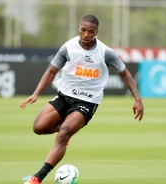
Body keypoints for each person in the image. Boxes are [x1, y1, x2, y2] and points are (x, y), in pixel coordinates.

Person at [19, 14, 144, 184]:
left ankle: (37, 177)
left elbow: (125, 73)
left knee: (63, 134)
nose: (86, 34)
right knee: (38, 127)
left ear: (96, 32)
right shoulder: (68, 47)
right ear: (79, 28)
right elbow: (51, 72)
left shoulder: (105, 52)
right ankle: (67, 132)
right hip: (64, 96)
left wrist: (137, 99)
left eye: (90, 31)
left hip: (87, 101)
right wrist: (36, 94)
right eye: (83, 30)